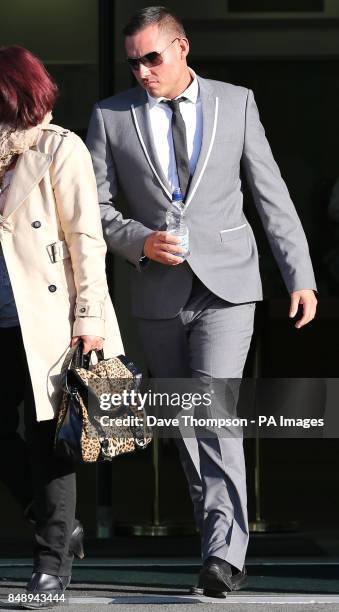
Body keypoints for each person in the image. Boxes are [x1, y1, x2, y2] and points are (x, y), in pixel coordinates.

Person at [86, 6, 317, 597]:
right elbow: (96, 213)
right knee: (183, 419)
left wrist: (300, 274)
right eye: (133, 60)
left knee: (211, 409)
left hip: (228, 289)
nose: (142, 70)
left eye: (152, 57)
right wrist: (140, 241)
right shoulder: (111, 117)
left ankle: (224, 552)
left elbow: (271, 193)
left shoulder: (236, 102)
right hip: (157, 290)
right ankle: (217, 537)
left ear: (181, 47)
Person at [0, 46, 123, 607]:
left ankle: (50, 566)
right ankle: (51, 519)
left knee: (52, 440)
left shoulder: (58, 148)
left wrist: (91, 317)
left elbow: (84, 240)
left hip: (43, 320)